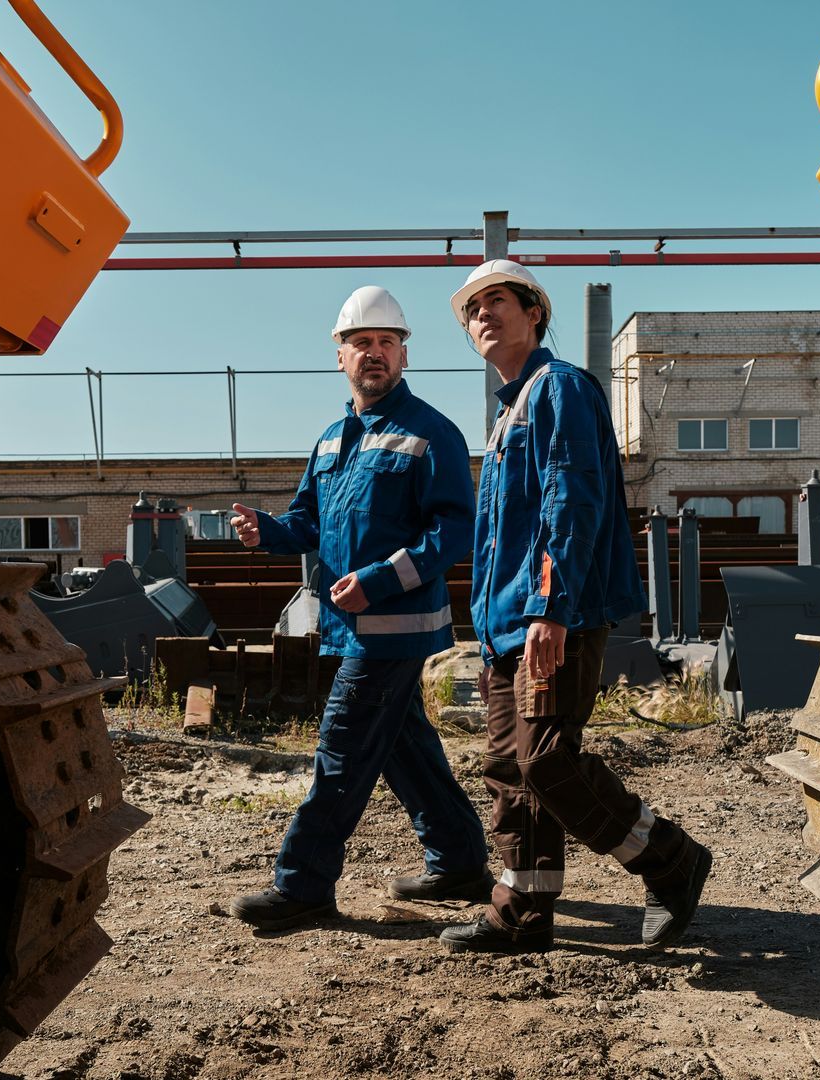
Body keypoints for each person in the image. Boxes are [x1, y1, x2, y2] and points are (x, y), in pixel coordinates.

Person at [437, 260, 712, 955]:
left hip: (553, 620)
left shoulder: (558, 388)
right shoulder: (509, 411)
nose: (482, 315)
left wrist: (550, 607)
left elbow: (571, 499)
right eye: (472, 309)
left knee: (547, 762)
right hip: (510, 629)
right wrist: (495, 632)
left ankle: (669, 857)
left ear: (534, 312)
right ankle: (523, 913)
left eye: (497, 301)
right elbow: (501, 538)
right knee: (509, 770)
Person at [227, 285, 492, 930]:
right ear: (340, 356)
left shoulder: (430, 432)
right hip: (349, 627)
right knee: (404, 746)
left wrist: (377, 580)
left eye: (386, 342)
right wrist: (268, 531)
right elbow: (308, 522)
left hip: (395, 628)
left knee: (342, 749)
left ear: (404, 354)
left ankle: (303, 884)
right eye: (361, 342)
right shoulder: (331, 440)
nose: (374, 352)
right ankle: (459, 862)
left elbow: (454, 530)